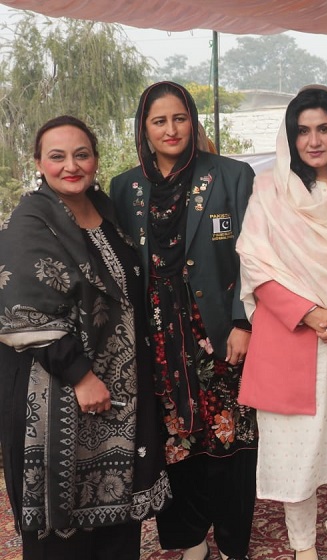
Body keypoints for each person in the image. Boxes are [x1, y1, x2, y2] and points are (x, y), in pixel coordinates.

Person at [0, 116, 171, 559]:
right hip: (58, 392)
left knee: (116, 528)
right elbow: (23, 310)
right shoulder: (32, 219)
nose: (70, 165)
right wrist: (81, 376)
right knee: (66, 534)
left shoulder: (105, 211)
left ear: (95, 159)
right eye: (57, 156)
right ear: (39, 162)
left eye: (82, 154)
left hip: (119, 397)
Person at [236, 85, 327, 560]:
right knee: (295, 454)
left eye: (324, 128)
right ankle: (302, 544)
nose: (314, 140)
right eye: (302, 130)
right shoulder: (269, 189)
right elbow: (255, 265)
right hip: (292, 337)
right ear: (290, 136)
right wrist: (314, 314)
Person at [110, 81, 258, 560]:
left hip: (219, 335)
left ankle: (234, 542)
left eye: (179, 118)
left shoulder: (233, 175)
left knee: (232, 442)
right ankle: (189, 539)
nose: (171, 129)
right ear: (144, 128)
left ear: (193, 120)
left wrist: (243, 322)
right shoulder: (125, 187)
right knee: (175, 444)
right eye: (159, 121)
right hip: (158, 338)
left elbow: (255, 257)